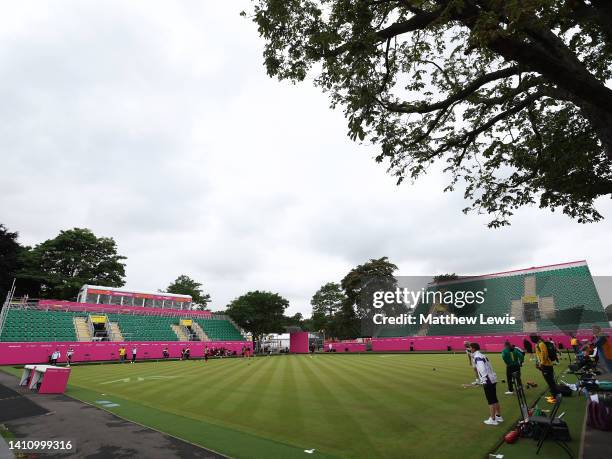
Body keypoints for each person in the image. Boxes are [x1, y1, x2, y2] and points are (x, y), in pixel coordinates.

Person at [470, 342, 503, 425]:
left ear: (473, 348)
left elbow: (482, 369)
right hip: (492, 378)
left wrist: (484, 381)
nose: (470, 349)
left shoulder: (477, 357)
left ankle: (493, 419)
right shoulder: (482, 355)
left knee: (490, 400)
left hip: (488, 380)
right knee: (494, 399)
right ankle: (498, 416)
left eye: (470, 348)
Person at [531, 335, 559, 403]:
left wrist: (542, 363)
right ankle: (554, 395)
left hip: (546, 365)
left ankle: (555, 397)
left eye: (532, 339)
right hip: (544, 365)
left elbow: (545, 354)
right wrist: (538, 362)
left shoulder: (541, 344)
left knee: (550, 381)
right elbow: (539, 355)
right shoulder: (538, 344)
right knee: (549, 381)